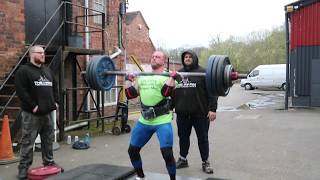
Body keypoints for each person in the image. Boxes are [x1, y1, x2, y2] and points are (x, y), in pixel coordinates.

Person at [125, 51, 177, 180]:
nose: (154, 58)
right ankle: (140, 176)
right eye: (152, 56)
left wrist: (173, 77)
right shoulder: (143, 76)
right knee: (132, 151)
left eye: (157, 57)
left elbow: (166, 92)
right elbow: (130, 94)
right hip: (145, 120)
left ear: (163, 61)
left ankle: (173, 179)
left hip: (162, 120)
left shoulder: (168, 76)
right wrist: (128, 80)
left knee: (167, 153)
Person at [14, 45, 60, 179]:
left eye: (43, 53)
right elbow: (21, 91)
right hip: (31, 114)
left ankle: (49, 163)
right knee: (28, 142)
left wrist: (56, 102)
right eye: (40, 53)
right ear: (31, 54)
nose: (43, 55)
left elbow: (55, 87)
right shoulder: (23, 71)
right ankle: (23, 168)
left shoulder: (47, 71)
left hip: (47, 114)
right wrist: (33, 106)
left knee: (48, 140)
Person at [172, 50, 218, 174]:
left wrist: (212, 109)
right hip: (182, 114)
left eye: (189, 57)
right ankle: (183, 159)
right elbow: (173, 92)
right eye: (185, 57)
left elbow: (212, 92)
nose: (187, 58)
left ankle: (205, 162)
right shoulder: (178, 74)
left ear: (194, 58)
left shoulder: (203, 73)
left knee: (202, 138)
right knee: (183, 137)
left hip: (200, 114)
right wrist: (171, 108)